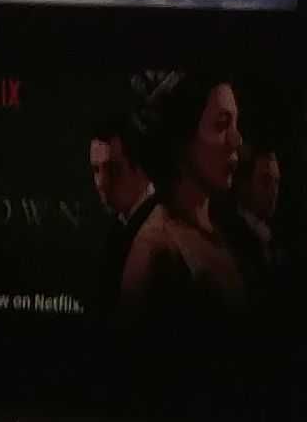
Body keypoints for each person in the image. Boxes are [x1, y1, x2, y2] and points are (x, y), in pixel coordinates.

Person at [114, 73, 266, 324]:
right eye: (221, 125)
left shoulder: (226, 230)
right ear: (181, 139)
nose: (237, 140)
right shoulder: (155, 252)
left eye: (235, 124)